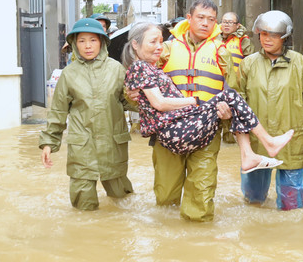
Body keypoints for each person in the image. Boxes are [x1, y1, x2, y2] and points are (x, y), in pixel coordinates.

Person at [122, 22, 292, 170]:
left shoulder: (148, 67)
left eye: (160, 41)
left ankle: (249, 154)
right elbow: (159, 103)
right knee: (230, 96)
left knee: (231, 100)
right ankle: (266, 144)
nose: (159, 46)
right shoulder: (140, 67)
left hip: (179, 127)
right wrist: (193, 101)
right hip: (175, 130)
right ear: (135, 45)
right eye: (153, 42)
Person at [125, 0, 234, 222]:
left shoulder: (222, 52)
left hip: (207, 128)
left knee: (201, 193)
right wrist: (131, 95)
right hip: (168, 130)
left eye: (211, 19)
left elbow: (234, 89)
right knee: (166, 196)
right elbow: (141, 91)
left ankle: (198, 245)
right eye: (200, 18)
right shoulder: (162, 49)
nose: (205, 23)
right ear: (189, 18)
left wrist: (228, 114)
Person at [39, 18, 134, 211]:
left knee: (121, 199)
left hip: (112, 143)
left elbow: (128, 102)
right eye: (82, 41)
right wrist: (49, 142)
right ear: (74, 43)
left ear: (102, 41)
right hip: (82, 145)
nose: (88, 46)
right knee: (83, 205)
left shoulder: (116, 69)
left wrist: (144, 97)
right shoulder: (69, 74)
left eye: (93, 40)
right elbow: (58, 111)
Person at [238, 10, 303, 211]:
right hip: (258, 140)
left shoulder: (299, 62)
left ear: (284, 37)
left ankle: (291, 238)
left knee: (292, 203)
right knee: (254, 200)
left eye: (274, 35)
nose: (267, 39)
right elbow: (237, 100)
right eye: (263, 34)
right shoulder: (248, 64)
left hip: (290, 138)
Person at [218, 11, 256, 144]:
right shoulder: (213, 39)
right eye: (224, 22)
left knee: (235, 114)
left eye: (230, 22)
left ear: (237, 25)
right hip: (217, 84)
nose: (226, 25)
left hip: (237, 85)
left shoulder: (243, 41)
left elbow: (251, 63)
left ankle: (234, 140)